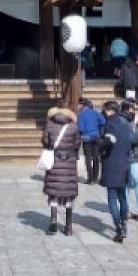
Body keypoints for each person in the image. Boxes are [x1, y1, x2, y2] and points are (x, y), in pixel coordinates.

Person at [41, 102, 80, 236]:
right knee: (68, 193)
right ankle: (68, 226)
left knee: (54, 191)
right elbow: (77, 143)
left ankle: (53, 222)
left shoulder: (50, 124)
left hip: (55, 159)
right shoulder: (73, 125)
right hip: (69, 161)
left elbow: (45, 141)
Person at [99, 99, 134, 242]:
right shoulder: (125, 125)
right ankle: (124, 222)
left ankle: (118, 225)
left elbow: (107, 143)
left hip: (111, 164)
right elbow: (131, 142)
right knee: (123, 196)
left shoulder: (108, 125)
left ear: (109, 111)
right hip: (124, 163)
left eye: (104, 110)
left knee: (112, 198)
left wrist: (100, 148)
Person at [76, 98, 105, 185]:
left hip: (86, 138)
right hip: (96, 136)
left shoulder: (81, 115)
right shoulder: (95, 112)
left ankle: (90, 178)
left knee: (88, 158)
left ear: (82, 105)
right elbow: (103, 121)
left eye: (79, 104)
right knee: (96, 157)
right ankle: (96, 178)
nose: (78, 106)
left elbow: (80, 128)